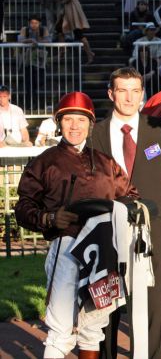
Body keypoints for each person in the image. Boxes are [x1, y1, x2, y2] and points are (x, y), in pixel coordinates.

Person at [14, 91, 138, 359]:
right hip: (66, 247)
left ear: (90, 124)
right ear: (59, 123)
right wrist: (49, 218)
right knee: (60, 329)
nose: (74, 126)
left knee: (93, 328)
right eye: (68, 119)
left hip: (104, 250)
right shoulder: (44, 161)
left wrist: (127, 211)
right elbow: (23, 209)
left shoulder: (106, 163)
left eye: (80, 120)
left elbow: (131, 196)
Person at [92, 67, 161, 359]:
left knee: (152, 309)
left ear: (142, 94)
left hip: (155, 232)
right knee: (106, 307)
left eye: (135, 91)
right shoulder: (95, 134)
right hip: (107, 233)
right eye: (122, 90)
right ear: (111, 94)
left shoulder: (160, 131)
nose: (129, 97)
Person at [56, 0, 94, 64]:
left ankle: (89, 53)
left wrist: (62, 1)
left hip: (71, 9)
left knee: (78, 33)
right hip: (72, 9)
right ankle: (62, 51)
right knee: (60, 30)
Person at [17, 14, 51, 111]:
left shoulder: (43, 30)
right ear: (29, 23)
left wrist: (38, 41)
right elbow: (20, 40)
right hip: (27, 59)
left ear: (39, 23)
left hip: (40, 59)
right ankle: (31, 105)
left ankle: (35, 102)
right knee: (29, 83)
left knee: (39, 80)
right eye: (32, 23)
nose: (34, 25)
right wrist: (30, 40)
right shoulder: (25, 29)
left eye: (36, 23)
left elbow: (48, 40)